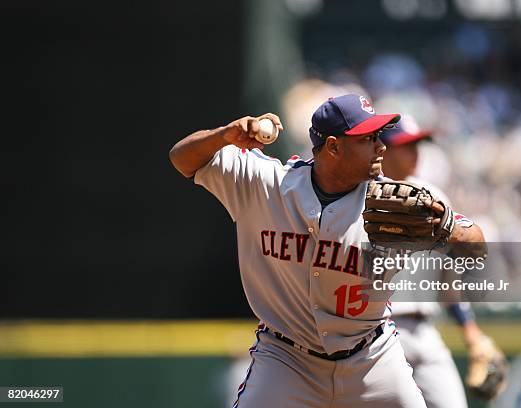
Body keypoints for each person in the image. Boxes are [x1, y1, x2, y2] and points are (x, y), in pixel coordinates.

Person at [169, 94, 484, 407]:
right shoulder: (265, 183)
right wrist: (223, 136)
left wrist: (446, 225)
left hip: (371, 360)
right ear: (333, 147)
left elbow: (476, 249)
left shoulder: (394, 203)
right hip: (286, 361)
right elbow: (181, 158)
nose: (381, 146)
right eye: (368, 138)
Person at [381, 117, 495, 408]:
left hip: (425, 330)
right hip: (377, 332)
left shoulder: (432, 196)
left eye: (417, 144)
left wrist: (471, 334)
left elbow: (448, 280)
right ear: (382, 148)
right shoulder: (360, 195)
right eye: (406, 145)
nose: (415, 152)